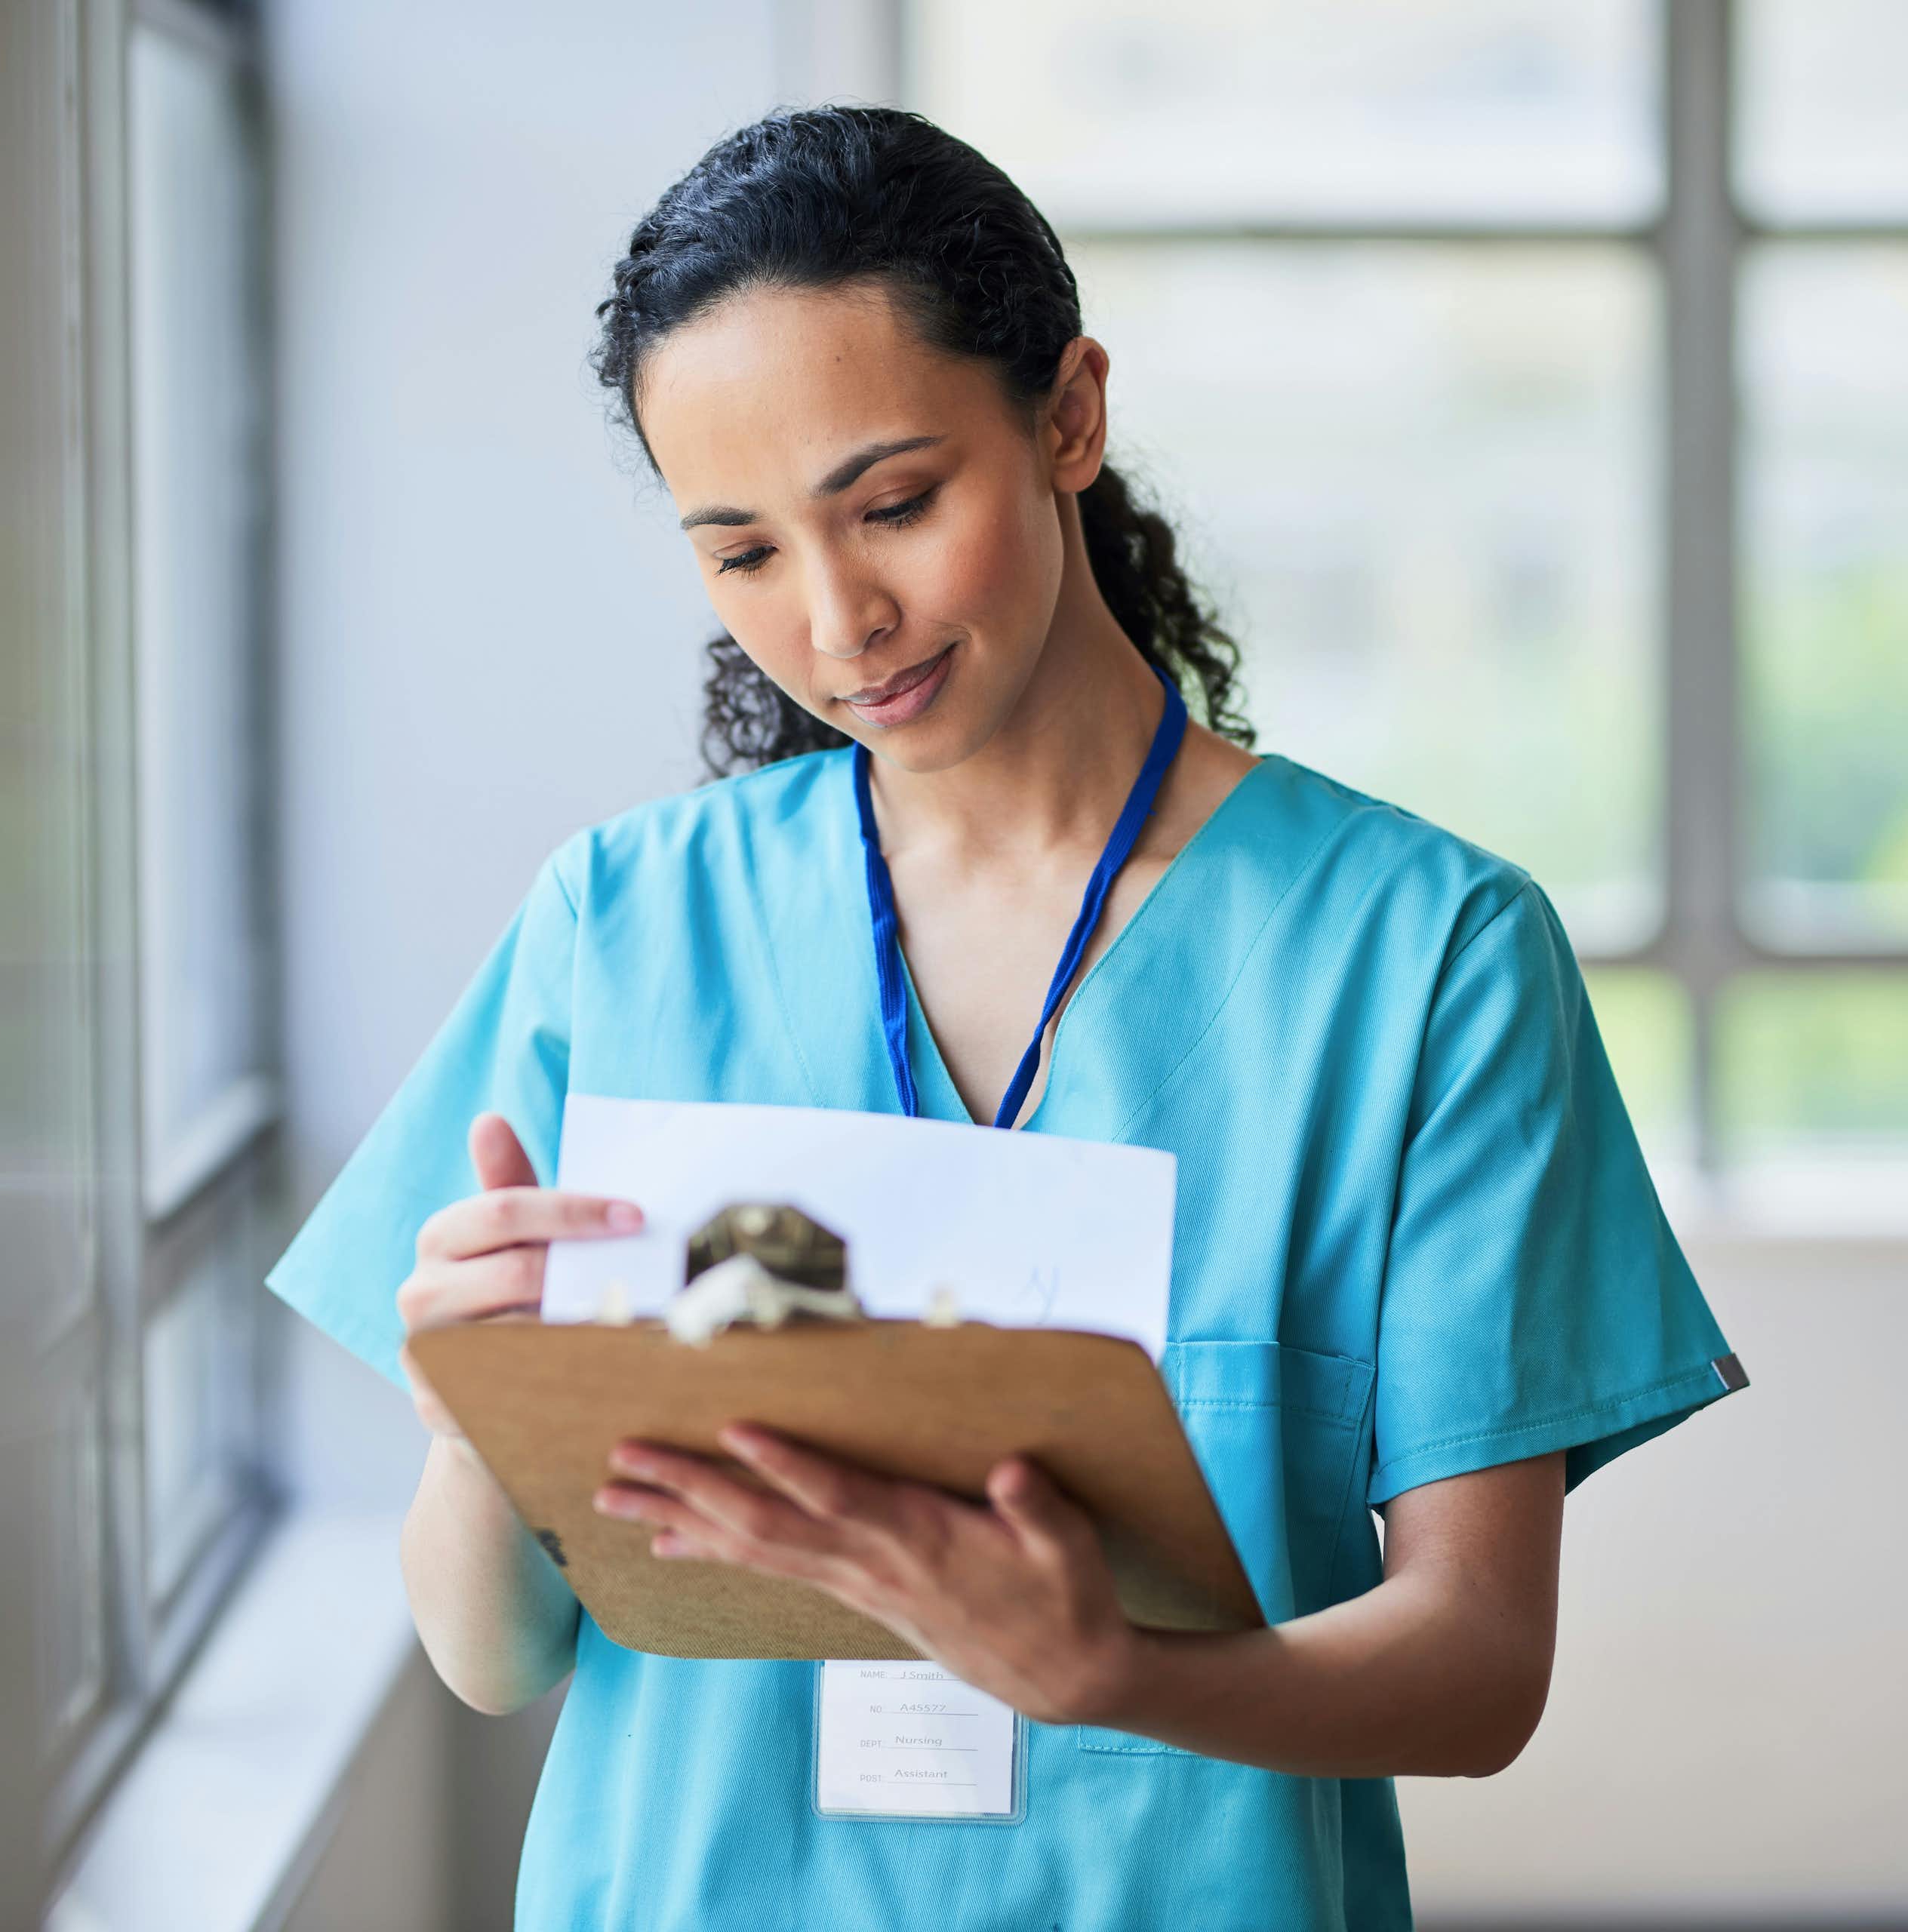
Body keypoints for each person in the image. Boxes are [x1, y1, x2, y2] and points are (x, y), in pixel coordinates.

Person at [265, 103, 1750, 1931]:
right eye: (740, 554)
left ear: (1067, 416)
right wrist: (480, 1408)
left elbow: (1473, 1663)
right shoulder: (623, 928)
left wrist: (1113, 1668)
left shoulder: (1424, 956)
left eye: (894, 503)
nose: (835, 620)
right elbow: (493, 1655)